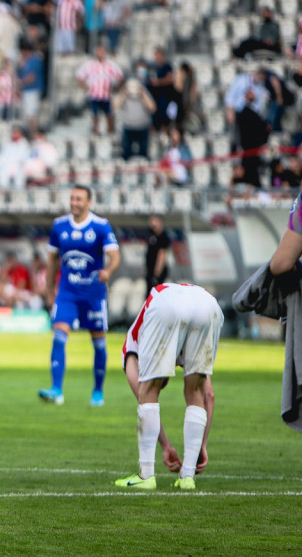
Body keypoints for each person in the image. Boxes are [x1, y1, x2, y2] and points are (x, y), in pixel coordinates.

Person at [114, 283, 221, 490]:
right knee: (195, 390)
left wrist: (166, 446)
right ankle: (187, 477)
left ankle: (146, 476)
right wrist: (201, 445)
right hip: (208, 304)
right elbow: (208, 394)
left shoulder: (130, 348)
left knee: (148, 390)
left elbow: (143, 397)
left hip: (166, 303)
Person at [38, 185, 120, 406]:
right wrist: (49, 289)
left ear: (89, 202)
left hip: (93, 294)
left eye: (79, 199)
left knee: (99, 343)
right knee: (59, 335)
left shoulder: (101, 226)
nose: (74, 203)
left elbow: (114, 255)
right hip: (67, 292)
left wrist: (108, 272)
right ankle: (56, 390)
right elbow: (53, 259)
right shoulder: (59, 226)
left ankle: (97, 392)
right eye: (72, 199)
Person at [145, 215, 169, 296]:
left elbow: (162, 255)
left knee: (156, 295)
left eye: (154, 222)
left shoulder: (162, 237)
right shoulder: (151, 235)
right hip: (150, 271)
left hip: (157, 273)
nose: (152, 224)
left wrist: (157, 273)